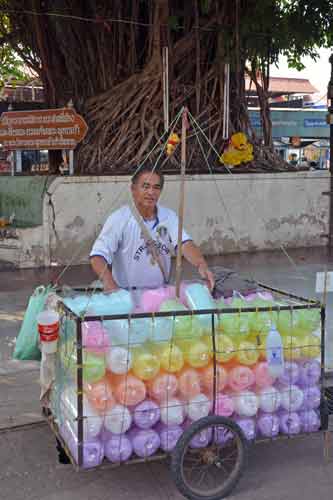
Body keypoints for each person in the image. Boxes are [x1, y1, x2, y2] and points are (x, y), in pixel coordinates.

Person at [90, 166, 214, 291]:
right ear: (133, 189)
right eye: (145, 186)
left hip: (160, 294)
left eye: (156, 187)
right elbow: (98, 256)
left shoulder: (169, 216)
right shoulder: (119, 218)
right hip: (127, 295)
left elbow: (184, 243)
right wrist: (109, 283)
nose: (151, 192)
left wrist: (201, 264)